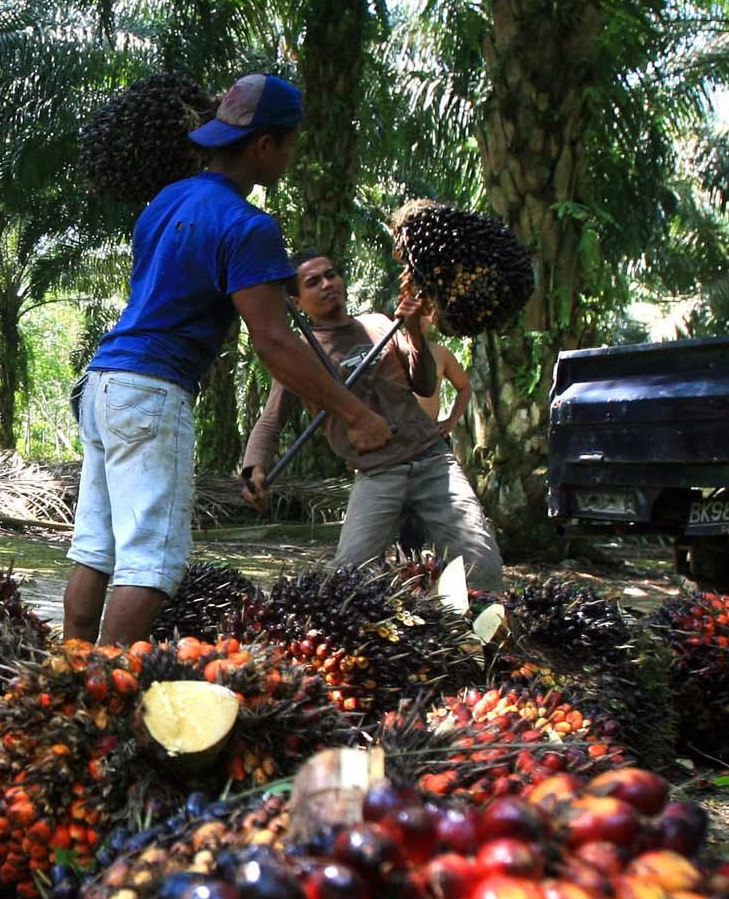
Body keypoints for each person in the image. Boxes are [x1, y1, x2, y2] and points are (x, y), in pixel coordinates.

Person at [65, 74, 393, 646]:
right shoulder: (249, 225)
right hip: (151, 389)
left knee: (97, 545)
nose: (290, 157)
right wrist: (354, 413)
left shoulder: (166, 201)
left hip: (103, 383)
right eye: (290, 145)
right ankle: (104, 698)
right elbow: (272, 341)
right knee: (150, 559)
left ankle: (67, 673)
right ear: (264, 146)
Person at [241, 251, 504, 589]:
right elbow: (270, 420)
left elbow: (423, 384)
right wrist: (254, 468)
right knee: (347, 579)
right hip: (377, 472)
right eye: (313, 282)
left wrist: (414, 333)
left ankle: (477, 634)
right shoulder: (300, 353)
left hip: (431, 461)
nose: (327, 284)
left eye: (331, 274)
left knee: (481, 565)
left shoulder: (380, 324)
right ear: (297, 300)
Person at [396, 304, 473, 553]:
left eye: (423, 316)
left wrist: (450, 421)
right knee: (398, 506)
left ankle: (437, 563)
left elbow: (465, 387)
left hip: (431, 439)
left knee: (439, 505)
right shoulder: (387, 352)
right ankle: (403, 562)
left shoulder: (441, 354)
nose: (419, 320)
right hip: (395, 441)